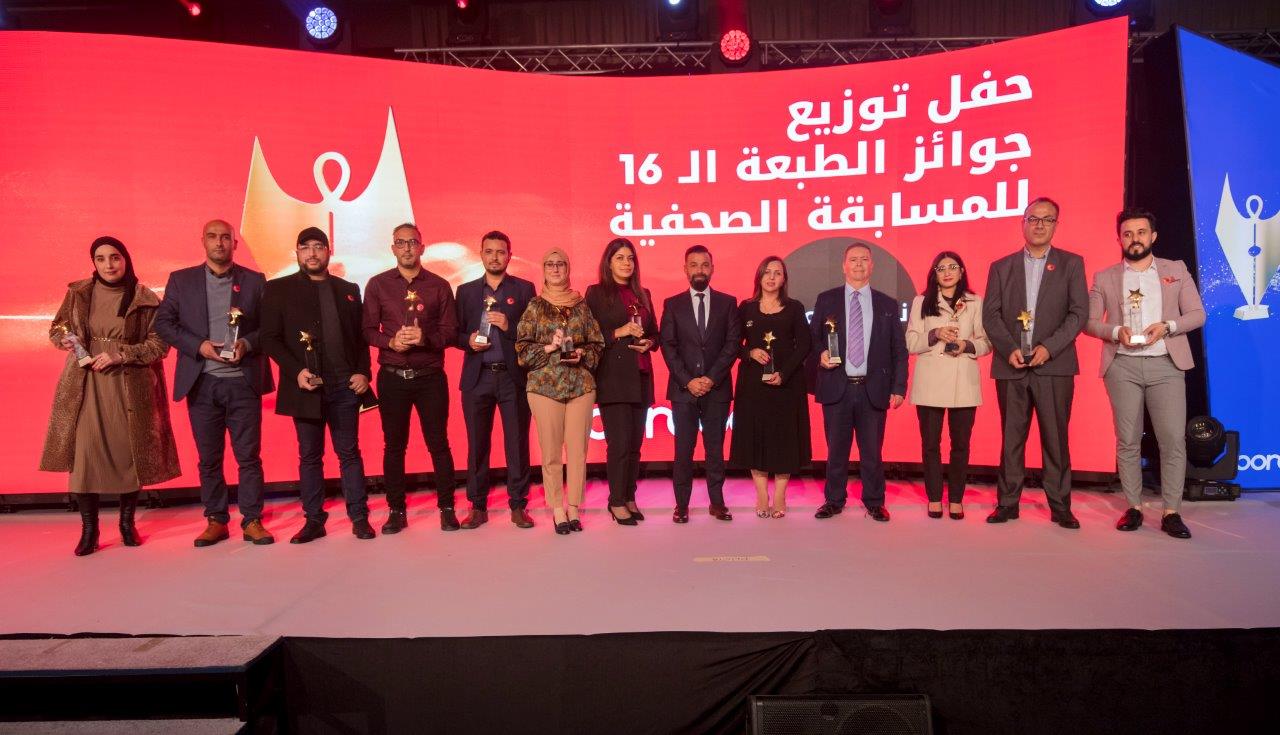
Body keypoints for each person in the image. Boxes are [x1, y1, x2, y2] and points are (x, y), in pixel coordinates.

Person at [40, 236, 181, 556]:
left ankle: (126, 524)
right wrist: (64, 339)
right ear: (93, 263)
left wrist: (121, 355)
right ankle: (89, 530)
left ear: (126, 259)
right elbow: (57, 328)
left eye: (115, 257)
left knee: (128, 453)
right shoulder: (78, 293)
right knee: (84, 457)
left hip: (127, 386)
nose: (109, 264)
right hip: (86, 384)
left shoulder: (145, 299)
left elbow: (160, 346)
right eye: (101, 259)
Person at [154, 219, 276, 547]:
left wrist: (246, 344)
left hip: (243, 383)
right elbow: (163, 323)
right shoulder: (181, 281)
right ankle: (216, 520)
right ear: (203, 241)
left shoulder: (255, 281)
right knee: (209, 458)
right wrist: (199, 346)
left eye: (225, 237)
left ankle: (252, 520)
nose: (219, 242)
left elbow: (270, 327)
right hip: (202, 383)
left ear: (235, 244)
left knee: (248, 457)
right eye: (212, 236)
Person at [1085, 208, 1205, 539]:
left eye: (1140, 232)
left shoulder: (1175, 269)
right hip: (1122, 365)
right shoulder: (1104, 276)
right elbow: (1089, 322)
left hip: (1166, 364)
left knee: (1172, 439)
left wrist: (1167, 326)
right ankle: (1134, 507)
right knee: (1127, 439)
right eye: (1127, 234)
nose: (1134, 239)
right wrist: (1115, 331)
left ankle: (1171, 512)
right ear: (1119, 239)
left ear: (1153, 236)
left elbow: (1197, 314)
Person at [261, 226, 376, 543]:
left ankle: (359, 517)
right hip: (306, 387)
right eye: (306, 247)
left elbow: (360, 339)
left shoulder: (348, 289)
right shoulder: (278, 289)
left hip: (344, 388)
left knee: (349, 453)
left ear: (328, 251)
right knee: (310, 457)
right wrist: (295, 371)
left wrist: (363, 372)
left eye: (318, 246)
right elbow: (269, 339)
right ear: (297, 252)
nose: (312, 253)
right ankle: (314, 520)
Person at [982, 197, 1089, 529]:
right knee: (1011, 438)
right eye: (1033, 218)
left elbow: (1078, 314)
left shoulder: (1071, 264)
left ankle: (1060, 505)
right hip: (1011, 365)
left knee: (1055, 439)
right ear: (1023, 223)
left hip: (1054, 366)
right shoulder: (1001, 267)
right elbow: (990, 315)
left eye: (1047, 219)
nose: (1040, 224)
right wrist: (1009, 348)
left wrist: (1049, 348)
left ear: (1056, 225)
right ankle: (1007, 503)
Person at [362, 222, 460, 533]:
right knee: (394, 446)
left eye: (412, 242)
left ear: (422, 247)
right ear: (393, 248)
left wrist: (425, 339)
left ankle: (447, 508)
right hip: (392, 376)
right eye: (401, 242)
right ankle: (396, 510)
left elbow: (450, 332)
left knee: (439, 444)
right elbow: (366, 330)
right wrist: (389, 342)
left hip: (430, 377)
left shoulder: (439, 286)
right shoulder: (377, 285)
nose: (407, 248)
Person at [811, 243, 908, 522]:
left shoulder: (887, 304)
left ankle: (875, 501)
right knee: (836, 451)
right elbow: (813, 339)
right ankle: (833, 500)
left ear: (871, 265)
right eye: (853, 260)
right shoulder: (827, 300)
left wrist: (899, 387)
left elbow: (898, 350)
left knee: (872, 452)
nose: (858, 264)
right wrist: (821, 354)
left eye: (864, 259)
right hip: (837, 388)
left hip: (872, 389)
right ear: (844, 266)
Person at [516, 248, 604, 535]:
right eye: (550, 264)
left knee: (578, 452)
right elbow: (522, 351)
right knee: (551, 452)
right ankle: (557, 508)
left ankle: (574, 507)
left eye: (561, 264)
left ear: (568, 269)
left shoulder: (581, 305)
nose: (555, 269)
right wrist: (550, 347)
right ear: (543, 269)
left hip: (581, 387)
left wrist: (581, 353)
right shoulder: (534, 306)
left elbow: (597, 344)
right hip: (544, 388)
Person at [455, 230, 536, 530]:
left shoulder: (524, 289)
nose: (495, 257)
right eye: (489, 251)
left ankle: (518, 505)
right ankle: (477, 506)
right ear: (481, 254)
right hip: (477, 378)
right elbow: (453, 332)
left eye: (501, 252)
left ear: (509, 256)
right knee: (477, 445)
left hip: (513, 378)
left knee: (517, 443)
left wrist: (509, 325)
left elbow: (534, 332)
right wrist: (468, 341)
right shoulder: (465, 291)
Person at [904, 251, 991, 520]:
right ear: (934, 274)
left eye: (953, 267)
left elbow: (987, 342)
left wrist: (967, 345)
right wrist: (935, 334)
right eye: (941, 268)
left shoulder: (975, 302)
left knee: (960, 444)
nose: (947, 272)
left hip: (963, 380)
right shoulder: (921, 301)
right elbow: (911, 342)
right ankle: (934, 498)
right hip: (930, 381)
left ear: (962, 271)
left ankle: (955, 499)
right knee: (931, 444)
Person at [659, 245, 742, 523]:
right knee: (683, 450)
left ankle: (717, 503)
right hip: (683, 391)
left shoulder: (727, 303)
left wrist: (711, 378)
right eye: (694, 265)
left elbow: (732, 345)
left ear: (712, 269)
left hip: (717, 389)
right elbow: (668, 346)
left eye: (705, 265)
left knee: (715, 450)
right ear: (685, 269)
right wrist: (688, 381)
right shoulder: (672, 304)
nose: (699, 270)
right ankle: (681, 505)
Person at [728, 256, 812, 518]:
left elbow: (805, 345)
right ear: (759, 276)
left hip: (787, 385)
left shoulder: (795, 308)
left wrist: (784, 373)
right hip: (753, 387)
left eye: (777, 273)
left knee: (784, 439)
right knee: (755, 438)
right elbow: (732, 343)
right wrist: (749, 353)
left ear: (784, 279)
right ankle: (762, 495)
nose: (772, 277)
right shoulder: (746, 308)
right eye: (767, 272)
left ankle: (780, 496)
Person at [585, 238, 660, 526]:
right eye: (620, 258)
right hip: (613, 378)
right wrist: (618, 331)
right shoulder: (596, 293)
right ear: (609, 262)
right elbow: (588, 336)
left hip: (640, 376)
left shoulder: (643, 293)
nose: (626, 263)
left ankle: (629, 497)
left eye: (630, 258)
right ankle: (616, 501)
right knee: (619, 445)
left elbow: (655, 333)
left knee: (635, 445)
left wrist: (649, 342)